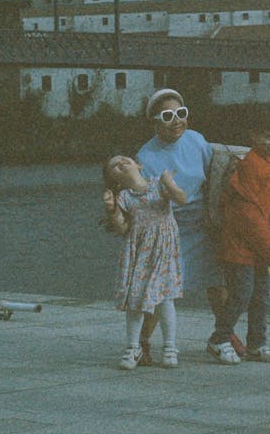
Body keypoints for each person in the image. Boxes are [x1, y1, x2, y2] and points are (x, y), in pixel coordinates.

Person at [105, 88, 241, 363]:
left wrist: (215, 216)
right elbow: (145, 195)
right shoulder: (147, 154)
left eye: (181, 113)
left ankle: (223, 336)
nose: (177, 120)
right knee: (157, 289)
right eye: (168, 116)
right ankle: (142, 343)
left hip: (201, 222)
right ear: (155, 121)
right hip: (167, 226)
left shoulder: (197, 140)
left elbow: (210, 181)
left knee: (216, 281)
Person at [207, 118, 270, 365]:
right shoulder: (253, 165)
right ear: (253, 136)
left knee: (260, 296)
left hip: (254, 245)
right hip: (239, 245)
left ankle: (257, 344)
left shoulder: (266, 163)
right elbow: (248, 214)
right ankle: (219, 339)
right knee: (242, 295)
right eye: (268, 137)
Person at [103, 154, 186, 370]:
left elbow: (182, 199)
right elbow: (122, 228)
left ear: (138, 165)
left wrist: (168, 183)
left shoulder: (158, 184)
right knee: (135, 298)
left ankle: (170, 347)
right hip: (139, 251)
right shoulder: (122, 196)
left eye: (124, 160)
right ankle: (133, 347)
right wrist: (112, 209)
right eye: (114, 166)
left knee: (165, 298)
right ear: (116, 179)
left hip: (164, 250)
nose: (120, 163)